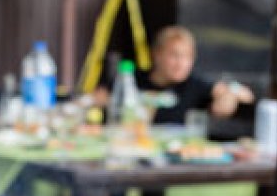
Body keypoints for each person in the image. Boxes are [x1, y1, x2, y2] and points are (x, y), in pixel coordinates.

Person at [100, 26, 253, 125]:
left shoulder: (195, 83)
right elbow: (95, 98)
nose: (181, 63)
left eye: (187, 57)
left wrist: (230, 94)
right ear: (157, 55)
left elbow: (245, 95)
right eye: (174, 56)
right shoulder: (131, 79)